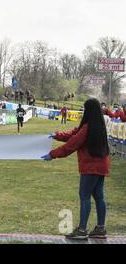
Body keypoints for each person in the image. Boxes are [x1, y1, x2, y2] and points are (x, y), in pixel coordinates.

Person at [41, 98, 110, 241]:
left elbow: (72, 145)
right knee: (99, 197)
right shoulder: (99, 124)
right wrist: (58, 135)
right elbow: (75, 134)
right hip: (102, 165)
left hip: (90, 167)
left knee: (85, 196)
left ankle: (82, 229)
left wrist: (52, 155)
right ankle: (100, 228)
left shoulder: (87, 127)